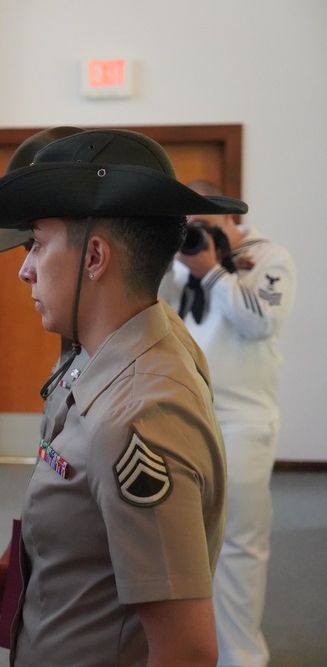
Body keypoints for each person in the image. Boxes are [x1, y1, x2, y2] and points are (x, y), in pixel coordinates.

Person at [0, 129, 242, 666]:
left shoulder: (140, 414)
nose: (23, 267)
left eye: (36, 242)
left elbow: (186, 651)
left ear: (95, 257)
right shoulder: (107, 347)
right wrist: (34, 565)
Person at [160, 180, 296, 667]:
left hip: (242, 421)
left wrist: (213, 273)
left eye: (205, 226)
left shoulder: (269, 258)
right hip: (183, 415)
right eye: (186, 228)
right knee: (180, 547)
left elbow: (260, 321)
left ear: (231, 220)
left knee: (237, 544)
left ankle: (241, 659)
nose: (194, 237)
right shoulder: (175, 264)